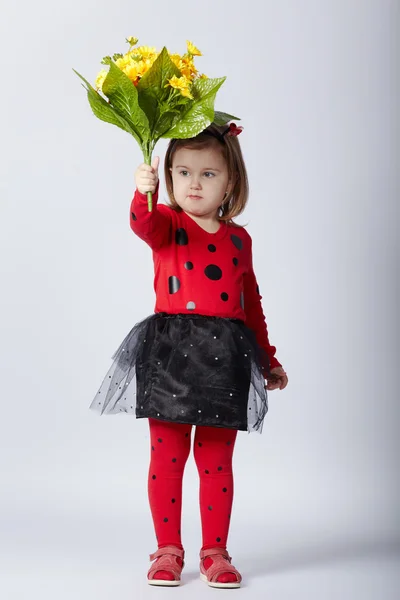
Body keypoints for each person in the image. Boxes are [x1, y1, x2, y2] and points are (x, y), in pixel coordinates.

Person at [90, 122, 288, 588]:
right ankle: (167, 550)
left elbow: (250, 302)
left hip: (226, 357)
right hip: (171, 356)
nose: (194, 183)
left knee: (217, 460)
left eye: (208, 174)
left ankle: (215, 552)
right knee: (168, 455)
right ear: (170, 178)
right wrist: (144, 192)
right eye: (182, 172)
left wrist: (267, 358)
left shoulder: (240, 240)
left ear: (231, 183)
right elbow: (142, 223)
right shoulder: (167, 224)